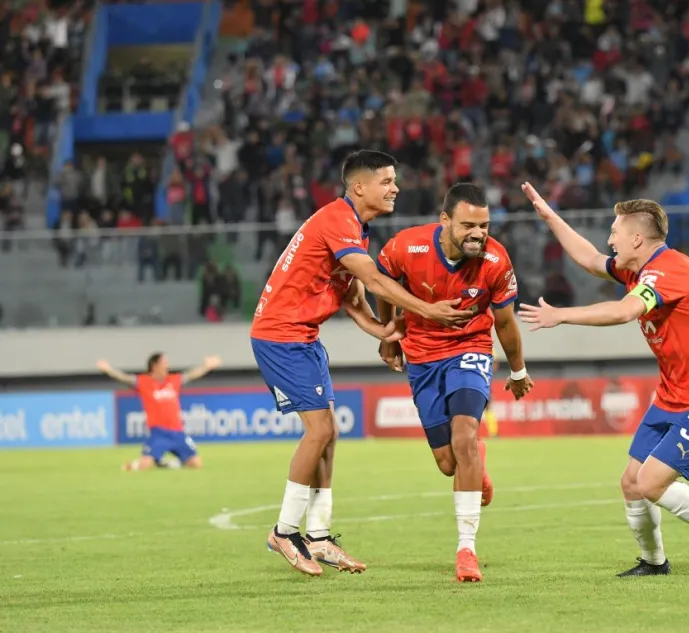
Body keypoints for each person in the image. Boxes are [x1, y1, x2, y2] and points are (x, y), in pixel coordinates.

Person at [250, 150, 473, 578]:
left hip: (304, 337)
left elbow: (351, 294)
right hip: (281, 337)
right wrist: (429, 312)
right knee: (319, 431)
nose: (396, 188)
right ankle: (284, 531)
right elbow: (371, 280)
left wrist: (382, 332)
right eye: (387, 181)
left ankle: (317, 535)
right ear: (359, 186)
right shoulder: (337, 220)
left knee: (329, 433)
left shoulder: (354, 225)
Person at [517, 183, 689, 578]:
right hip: (673, 395)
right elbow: (590, 259)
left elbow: (625, 312)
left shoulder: (668, 271)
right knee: (630, 482)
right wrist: (551, 217)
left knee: (651, 483)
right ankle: (654, 563)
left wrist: (562, 315)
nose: (609, 240)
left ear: (637, 238)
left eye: (615, 233)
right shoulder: (641, 267)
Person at [376, 183, 533, 582]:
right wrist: (389, 331)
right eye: (468, 225)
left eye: (484, 225)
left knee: (463, 438)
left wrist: (517, 371)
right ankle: (474, 464)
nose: (478, 234)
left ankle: (466, 550)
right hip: (423, 356)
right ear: (444, 220)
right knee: (449, 463)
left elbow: (505, 322)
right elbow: (383, 282)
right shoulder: (405, 247)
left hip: (471, 348)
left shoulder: (496, 260)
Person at [96, 353, 221, 471]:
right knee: (145, 465)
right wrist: (108, 369)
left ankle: (165, 463)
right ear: (155, 366)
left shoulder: (174, 380)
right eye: (164, 362)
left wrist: (207, 366)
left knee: (196, 464)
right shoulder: (143, 382)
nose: (167, 365)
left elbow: (192, 374)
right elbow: (124, 378)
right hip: (159, 433)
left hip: (177, 432)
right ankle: (138, 465)